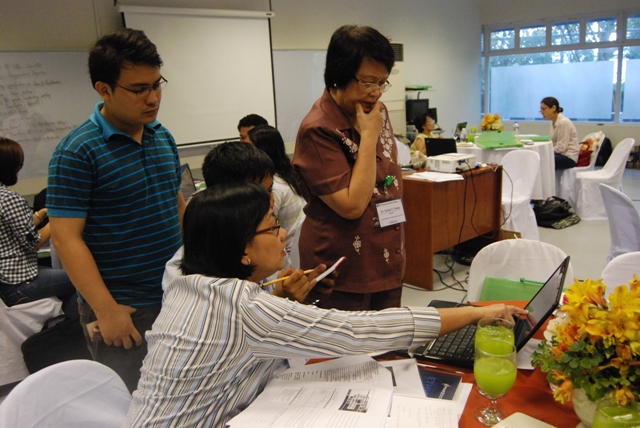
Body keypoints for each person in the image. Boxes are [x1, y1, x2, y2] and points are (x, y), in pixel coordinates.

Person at [124, 182, 527, 428]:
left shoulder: (187, 283)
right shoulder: (243, 305)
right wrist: (475, 312)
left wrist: (279, 301)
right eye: (273, 226)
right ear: (242, 250)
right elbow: (359, 331)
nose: (284, 235)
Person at [46, 28, 185, 392]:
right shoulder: (77, 151)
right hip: (125, 308)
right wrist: (106, 311)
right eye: (139, 89)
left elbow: (175, 203)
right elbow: (65, 239)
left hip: (176, 295)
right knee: (132, 401)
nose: (152, 98)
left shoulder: (161, 136)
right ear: (103, 89)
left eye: (156, 85)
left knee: (181, 396)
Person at [292, 25, 403, 311]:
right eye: (368, 82)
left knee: (390, 336)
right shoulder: (318, 128)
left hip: (386, 254)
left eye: (382, 82)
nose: (376, 92)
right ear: (339, 76)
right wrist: (369, 137)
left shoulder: (376, 111)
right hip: (341, 268)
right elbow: (352, 206)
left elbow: (386, 179)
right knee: (347, 340)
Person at [163, 141, 331, 304]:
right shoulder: (185, 273)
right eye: (257, 193)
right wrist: (279, 299)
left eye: (270, 190)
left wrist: (302, 290)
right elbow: (229, 319)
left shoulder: (267, 238)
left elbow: (279, 285)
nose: (270, 201)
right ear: (224, 196)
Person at [0, 138, 78, 318]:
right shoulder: (8, 198)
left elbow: (15, 229)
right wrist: (58, 217)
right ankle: (72, 329)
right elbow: (34, 243)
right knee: (84, 280)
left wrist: (41, 214)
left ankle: (67, 325)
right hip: (20, 283)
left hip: (7, 282)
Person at [248, 125, 305, 256]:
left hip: (288, 248)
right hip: (298, 242)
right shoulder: (288, 172)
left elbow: (264, 227)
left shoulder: (274, 186)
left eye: (250, 148)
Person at [540, 96, 579, 170]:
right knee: (540, 157)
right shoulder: (553, 122)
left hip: (568, 157)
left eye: (544, 109)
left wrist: (545, 151)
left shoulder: (563, 122)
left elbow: (561, 148)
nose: (542, 112)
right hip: (560, 154)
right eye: (541, 110)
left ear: (553, 108)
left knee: (542, 159)